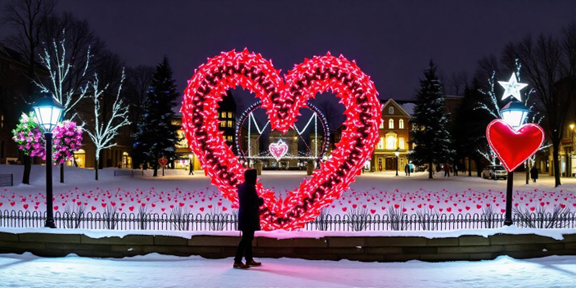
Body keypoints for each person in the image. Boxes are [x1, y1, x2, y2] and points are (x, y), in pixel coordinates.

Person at [234, 169, 264, 269]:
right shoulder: (250, 188)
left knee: (248, 238)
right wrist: (260, 201)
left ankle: (249, 258)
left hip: (245, 215)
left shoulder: (243, 186)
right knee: (246, 238)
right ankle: (238, 260)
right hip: (249, 216)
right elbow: (255, 201)